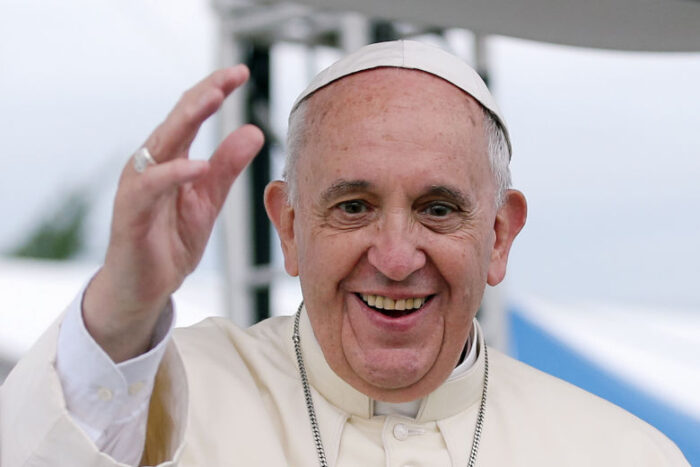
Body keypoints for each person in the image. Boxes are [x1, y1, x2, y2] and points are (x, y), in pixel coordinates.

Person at [0, 40, 689, 466]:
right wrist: (122, 303)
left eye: (438, 209)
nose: (394, 257)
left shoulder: (623, 453)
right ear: (291, 227)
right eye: (353, 206)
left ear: (500, 235)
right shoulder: (160, 402)